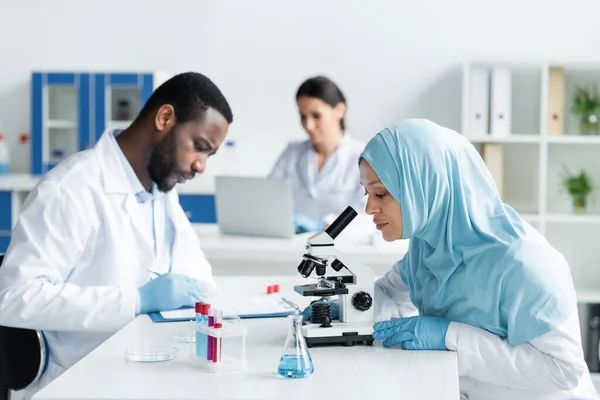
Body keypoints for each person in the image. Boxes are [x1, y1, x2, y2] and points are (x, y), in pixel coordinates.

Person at [305, 119, 600, 399]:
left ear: (426, 186)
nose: (369, 208)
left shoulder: (525, 263)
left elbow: (564, 370)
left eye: (381, 193)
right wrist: (345, 312)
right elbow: (391, 294)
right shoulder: (430, 244)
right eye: (367, 192)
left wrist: (452, 338)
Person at [0, 72, 233, 398]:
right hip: (73, 384)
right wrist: (137, 300)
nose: (201, 166)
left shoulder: (162, 191)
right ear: (165, 118)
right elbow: (13, 298)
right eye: (199, 147)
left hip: (140, 375)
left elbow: (200, 280)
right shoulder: (71, 189)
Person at [269, 76, 368, 233]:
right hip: (292, 247)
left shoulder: (364, 158)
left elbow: (369, 216)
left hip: (342, 248)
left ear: (339, 110)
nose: (308, 125)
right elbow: (268, 200)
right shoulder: (291, 153)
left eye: (316, 116)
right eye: (303, 116)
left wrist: (324, 225)